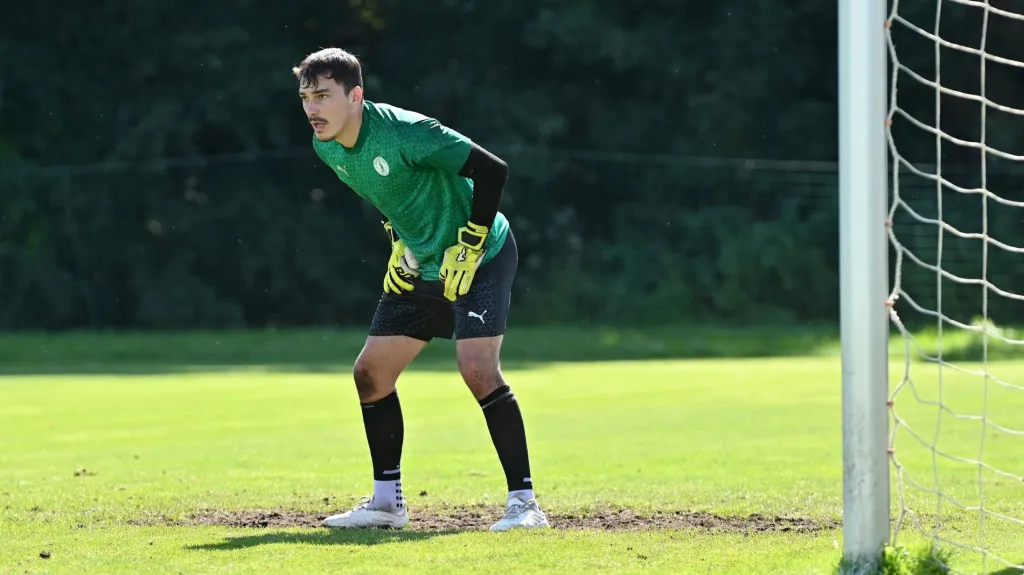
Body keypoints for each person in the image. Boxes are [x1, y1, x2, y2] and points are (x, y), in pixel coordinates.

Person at [293, 47, 549, 532]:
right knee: (370, 374)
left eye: (323, 95)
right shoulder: (326, 147)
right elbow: (390, 196)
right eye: (306, 96)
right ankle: (387, 504)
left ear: (356, 96)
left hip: (483, 254)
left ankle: (525, 505)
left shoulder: (406, 131)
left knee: (477, 370)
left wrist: (471, 242)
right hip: (423, 261)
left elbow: (493, 170)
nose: (312, 109)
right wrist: (399, 244)